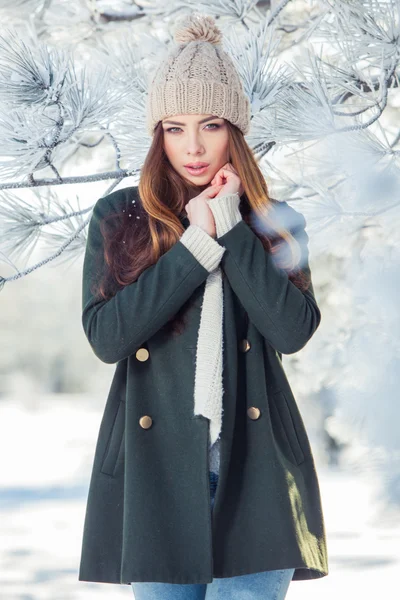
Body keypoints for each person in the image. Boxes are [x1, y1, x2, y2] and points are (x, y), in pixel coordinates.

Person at [78, 11, 328, 599]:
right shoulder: (119, 219)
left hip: (258, 474)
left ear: (234, 129)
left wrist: (232, 230)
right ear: (156, 132)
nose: (192, 147)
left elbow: (292, 331)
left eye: (210, 125)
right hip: (157, 474)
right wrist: (194, 246)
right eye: (174, 127)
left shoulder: (275, 224)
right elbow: (108, 338)